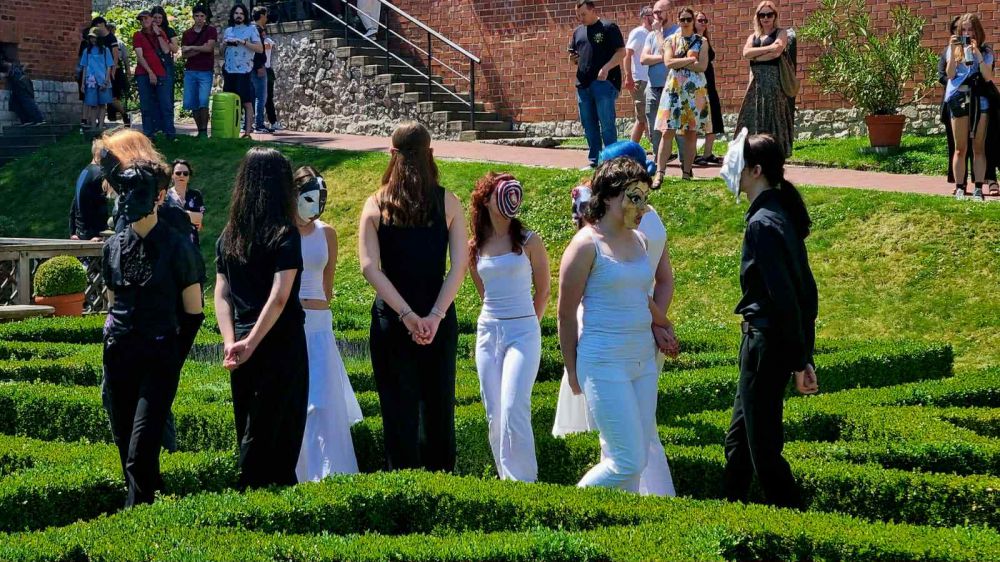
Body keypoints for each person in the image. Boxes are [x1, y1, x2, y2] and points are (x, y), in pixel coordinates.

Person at [553, 141, 677, 496]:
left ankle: (621, 522)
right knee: (627, 460)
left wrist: (662, 324)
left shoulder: (639, 241)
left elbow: (640, 297)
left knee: (637, 458)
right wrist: (573, 370)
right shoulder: (585, 245)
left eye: (645, 198)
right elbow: (565, 314)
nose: (643, 207)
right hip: (604, 363)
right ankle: (566, 508)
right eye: (635, 197)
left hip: (642, 362)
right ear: (608, 198)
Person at [358, 122, 468, 472]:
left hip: (392, 321)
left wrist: (406, 315)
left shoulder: (375, 204)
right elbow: (459, 266)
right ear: (430, 153)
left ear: (392, 154)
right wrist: (434, 315)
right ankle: (443, 486)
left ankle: (402, 488)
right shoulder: (448, 201)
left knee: (397, 413)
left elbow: (369, 268)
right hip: (438, 319)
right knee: (439, 411)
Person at [718, 129, 818, 509]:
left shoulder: (763, 223)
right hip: (765, 342)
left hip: (764, 343)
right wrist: (803, 356)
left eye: (743, 167)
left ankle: (799, 522)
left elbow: (788, 297)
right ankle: (729, 518)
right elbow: (806, 294)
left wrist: (800, 361)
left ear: (756, 171)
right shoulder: (778, 215)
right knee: (739, 444)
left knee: (763, 452)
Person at [99, 151, 204, 507]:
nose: (129, 199)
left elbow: (193, 312)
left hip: (159, 356)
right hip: (119, 355)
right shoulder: (113, 247)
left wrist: (173, 357)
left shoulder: (177, 247)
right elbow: (113, 303)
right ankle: (145, 512)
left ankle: (139, 516)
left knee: (141, 450)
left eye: (138, 191)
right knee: (124, 442)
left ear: (159, 195)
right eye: (125, 191)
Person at [215, 147, 308, 489]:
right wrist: (253, 342)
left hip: (240, 343)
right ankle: (262, 501)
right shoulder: (285, 234)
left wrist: (232, 341)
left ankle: (252, 497)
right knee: (281, 435)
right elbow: (280, 296)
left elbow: (221, 293)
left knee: (250, 426)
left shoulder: (229, 235)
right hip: (280, 342)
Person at [468, 173, 549, 482]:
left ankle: (524, 483)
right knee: (494, 412)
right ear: (486, 200)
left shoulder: (529, 240)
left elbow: (543, 291)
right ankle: (506, 480)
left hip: (523, 331)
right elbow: (484, 293)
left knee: (514, 407)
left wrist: (528, 326)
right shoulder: (476, 246)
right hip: (489, 331)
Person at [293, 166, 363, 482]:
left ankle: (330, 473)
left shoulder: (327, 233)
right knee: (298, 402)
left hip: (319, 324)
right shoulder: (282, 232)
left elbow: (328, 282)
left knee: (322, 402)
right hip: (292, 323)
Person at [652, 7, 709, 186]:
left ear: (693, 21)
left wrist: (680, 63)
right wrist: (690, 60)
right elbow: (668, 62)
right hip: (674, 89)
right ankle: (660, 173)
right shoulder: (670, 40)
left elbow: (702, 66)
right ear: (678, 21)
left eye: (688, 19)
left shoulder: (702, 41)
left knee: (691, 133)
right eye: (682, 19)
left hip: (694, 91)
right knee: (667, 131)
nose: (685, 22)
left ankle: (686, 172)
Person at [944, 13, 997, 202]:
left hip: (979, 98)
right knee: (960, 147)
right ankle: (960, 187)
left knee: (978, 146)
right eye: (964, 30)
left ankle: (978, 188)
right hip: (958, 97)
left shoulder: (986, 52)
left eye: (971, 30)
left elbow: (988, 77)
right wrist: (953, 50)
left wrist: (978, 55)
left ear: (977, 31)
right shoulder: (953, 49)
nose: (967, 33)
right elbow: (950, 75)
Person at [569, 0, 626, 169]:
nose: (581, 18)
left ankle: (611, 161)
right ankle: (595, 160)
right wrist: (573, 59)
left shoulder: (608, 27)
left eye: (583, 14)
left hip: (604, 83)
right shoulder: (578, 32)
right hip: (583, 84)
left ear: (593, 10)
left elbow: (621, 52)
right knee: (589, 124)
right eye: (578, 15)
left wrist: (606, 68)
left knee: (607, 124)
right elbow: (575, 56)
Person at [736, 1, 794, 158]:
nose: (766, 18)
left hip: (773, 82)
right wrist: (768, 49)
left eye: (769, 14)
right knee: (753, 114)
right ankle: (754, 150)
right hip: (756, 83)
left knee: (774, 115)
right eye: (762, 15)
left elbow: (777, 52)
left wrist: (756, 56)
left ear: (775, 16)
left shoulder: (781, 33)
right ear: (758, 17)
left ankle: (775, 150)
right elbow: (746, 53)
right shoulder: (753, 36)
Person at [640, 0, 677, 161]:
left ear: (670, 12)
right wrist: (663, 58)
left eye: (659, 12)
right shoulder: (650, 35)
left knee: (676, 127)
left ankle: (685, 163)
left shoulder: (677, 33)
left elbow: (670, 54)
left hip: (672, 87)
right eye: (654, 12)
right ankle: (658, 159)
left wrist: (658, 33)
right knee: (654, 126)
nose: (656, 15)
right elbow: (643, 59)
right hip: (652, 87)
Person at [221, 3, 264, 138]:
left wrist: (243, 42)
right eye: (236, 13)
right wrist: (224, 44)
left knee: (246, 102)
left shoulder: (251, 29)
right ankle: (230, 132)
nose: (238, 16)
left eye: (241, 13)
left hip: (244, 71)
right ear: (232, 15)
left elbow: (260, 49)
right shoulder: (228, 31)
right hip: (229, 71)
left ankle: (247, 132)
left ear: (245, 16)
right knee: (229, 102)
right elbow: (222, 52)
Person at [133, 9, 175, 140]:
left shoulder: (160, 32)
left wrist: (158, 34)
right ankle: (148, 134)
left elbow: (166, 50)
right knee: (146, 105)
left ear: (152, 19)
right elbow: (140, 56)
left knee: (166, 104)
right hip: (144, 73)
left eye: (146, 18)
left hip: (161, 72)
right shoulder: (138, 35)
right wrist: (150, 72)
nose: (144, 21)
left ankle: (170, 134)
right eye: (141, 19)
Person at [181, 4, 218, 138]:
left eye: (202, 16)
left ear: (205, 17)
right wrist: (200, 48)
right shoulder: (187, 33)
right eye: (197, 16)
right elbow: (184, 55)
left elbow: (209, 48)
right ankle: (199, 130)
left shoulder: (211, 30)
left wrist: (191, 47)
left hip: (205, 70)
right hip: (190, 70)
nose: (199, 19)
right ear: (193, 17)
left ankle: (204, 131)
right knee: (193, 103)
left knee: (203, 101)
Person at [694, 11, 723, 166]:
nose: (703, 23)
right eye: (700, 20)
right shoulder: (691, 40)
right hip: (697, 84)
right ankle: (692, 154)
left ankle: (708, 153)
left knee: (714, 117)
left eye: (705, 20)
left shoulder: (705, 39)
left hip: (709, 83)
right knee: (696, 119)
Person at [625, 7, 655, 145]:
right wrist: (628, 76)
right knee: (642, 119)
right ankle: (631, 150)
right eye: (652, 14)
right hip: (640, 81)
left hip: (652, 81)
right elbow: (627, 55)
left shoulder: (654, 34)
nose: (655, 16)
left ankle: (655, 147)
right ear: (644, 17)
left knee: (650, 117)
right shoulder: (638, 33)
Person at [70, 138, 109, 241]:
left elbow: (74, 203)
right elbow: (100, 206)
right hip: (93, 234)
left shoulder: (84, 171)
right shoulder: (100, 174)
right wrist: (99, 233)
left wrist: (73, 231)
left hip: (80, 231)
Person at [78, 27, 115, 130]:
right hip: (91, 82)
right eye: (91, 38)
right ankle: (93, 126)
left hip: (103, 80)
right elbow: (84, 67)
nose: (93, 40)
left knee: (102, 104)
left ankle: (100, 126)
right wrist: (82, 83)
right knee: (92, 104)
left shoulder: (105, 50)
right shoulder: (87, 51)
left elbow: (109, 66)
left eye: (95, 38)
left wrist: (106, 81)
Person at [168, 159, 205, 247]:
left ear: (189, 177)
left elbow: (199, 217)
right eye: (178, 173)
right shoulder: (166, 196)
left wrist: (178, 215)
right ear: (172, 175)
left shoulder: (196, 195)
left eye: (185, 173)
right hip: (172, 245)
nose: (182, 175)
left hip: (193, 244)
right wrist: (189, 216)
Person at [150, 6, 181, 108]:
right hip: (152, 63)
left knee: (167, 95)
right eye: (155, 17)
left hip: (166, 64)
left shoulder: (169, 30)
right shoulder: (147, 31)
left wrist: (162, 37)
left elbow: (175, 49)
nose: (157, 20)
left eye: (160, 17)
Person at [0, 58, 45, 125]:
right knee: (15, 103)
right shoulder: (12, 68)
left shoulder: (14, 66)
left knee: (27, 101)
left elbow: (26, 64)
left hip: (21, 84)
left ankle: (39, 119)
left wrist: (20, 72)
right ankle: (26, 120)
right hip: (16, 85)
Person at [251, 7, 273, 134]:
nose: (267, 17)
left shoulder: (252, 29)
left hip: (251, 66)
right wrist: (259, 66)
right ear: (261, 15)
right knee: (261, 96)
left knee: (253, 96)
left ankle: (248, 123)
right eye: (266, 15)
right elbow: (257, 50)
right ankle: (258, 125)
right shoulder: (257, 30)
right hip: (258, 66)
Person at [105, 22, 131, 126]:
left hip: (117, 70)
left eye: (112, 29)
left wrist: (128, 70)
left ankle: (123, 114)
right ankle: (112, 115)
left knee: (114, 95)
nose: (111, 31)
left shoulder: (119, 43)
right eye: (109, 29)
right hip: (105, 69)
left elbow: (125, 58)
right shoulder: (103, 42)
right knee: (109, 95)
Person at [263, 24, 282, 131]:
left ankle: (273, 122)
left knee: (268, 97)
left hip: (266, 70)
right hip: (254, 70)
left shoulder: (267, 41)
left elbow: (268, 46)